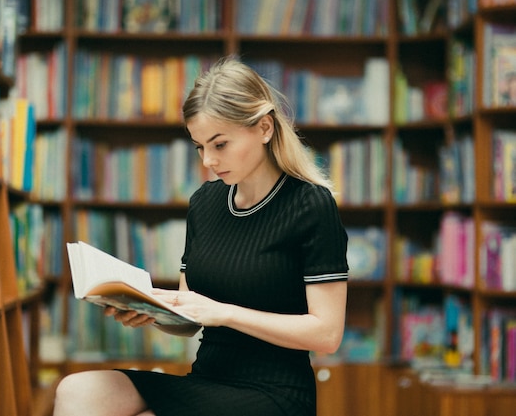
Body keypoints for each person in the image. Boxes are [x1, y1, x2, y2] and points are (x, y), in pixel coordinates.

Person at [53, 57, 349, 416]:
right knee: (79, 389)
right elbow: (190, 319)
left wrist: (224, 313)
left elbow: (326, 335)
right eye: (199, 146)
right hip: (207, 381)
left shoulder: (310, 205)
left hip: (276, 394)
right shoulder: (205, 202)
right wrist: (152, 310)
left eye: (219, 144)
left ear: (265, 128)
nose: (208, 160)